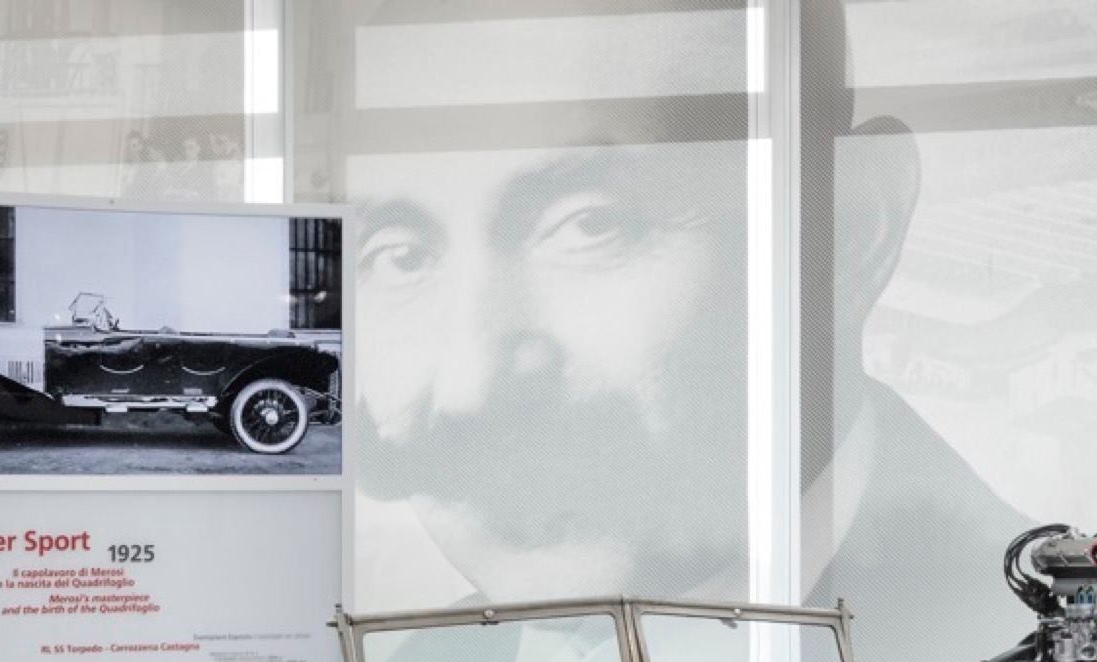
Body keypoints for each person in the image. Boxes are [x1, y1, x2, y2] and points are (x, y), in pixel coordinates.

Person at [332, 0, 1024, 615]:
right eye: (400, 256)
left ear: (851, 230)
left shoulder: (1008, 649)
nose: (470, 385)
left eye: (592, 225)